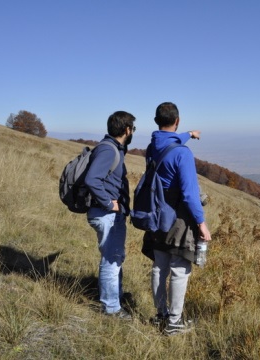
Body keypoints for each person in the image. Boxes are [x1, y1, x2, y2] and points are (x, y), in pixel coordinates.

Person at [143, 101, 212, 335]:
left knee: (159, 267)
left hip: (156, 215)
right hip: (179, 220)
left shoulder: (153, 147)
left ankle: (160, 315)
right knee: (180, 269)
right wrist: (202, 224)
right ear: (178, 120)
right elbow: (190, 194)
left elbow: (169, 141)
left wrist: (188, 135)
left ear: (156, 121)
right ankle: (174, 323)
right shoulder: (182, 154)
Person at [85, 111, 136, 319]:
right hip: (105, 213)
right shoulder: (108, 150)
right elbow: (91, 179)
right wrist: (108, 203)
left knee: (114, 256)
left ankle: (116, 296)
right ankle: (111, 308)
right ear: (127, 130)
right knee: (111, 259)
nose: (132, 131)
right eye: (133, 128)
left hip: (107, 213)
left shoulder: (112, 148)